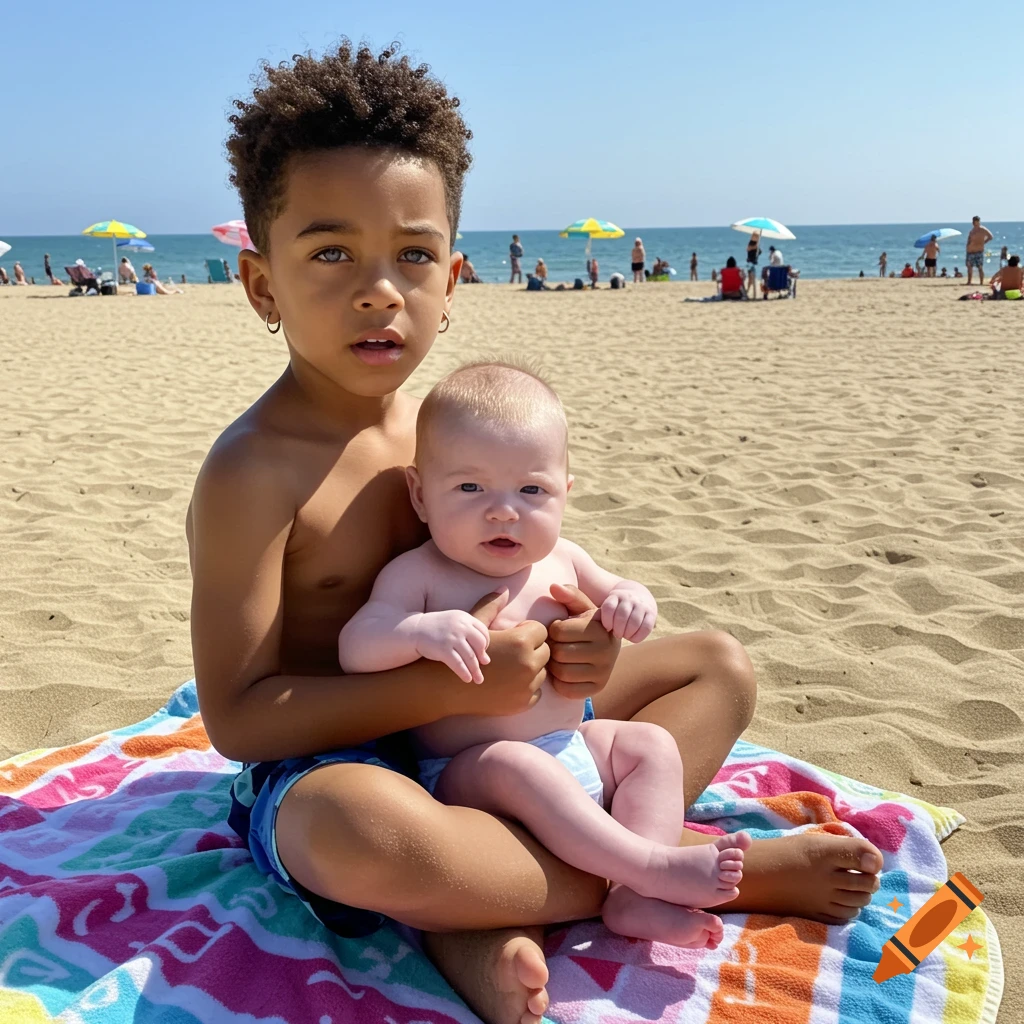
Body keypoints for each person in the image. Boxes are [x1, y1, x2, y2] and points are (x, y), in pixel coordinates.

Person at [189, 40, 882, 1024]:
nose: (380, 288)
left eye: (414, 254)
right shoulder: (252, 470)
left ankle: (481, 913)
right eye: (331, 250)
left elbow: (525, 563)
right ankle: (688, 873)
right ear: (262, 285)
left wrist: (578, 644)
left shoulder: (442, 426)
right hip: (342, 756)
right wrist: (435, 680)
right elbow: (238, 719)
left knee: (716, 665)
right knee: (362, 834)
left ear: (454, 279)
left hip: (498, 727)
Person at [339, 361, 749, 949]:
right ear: (420, 495)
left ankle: (635, 898)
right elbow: (358, 645)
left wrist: (632, 602)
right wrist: (420, 632)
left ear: (564, 493)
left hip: (571, 748)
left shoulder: (565, 560)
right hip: (471, 775)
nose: (504, 510)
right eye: (470, 488)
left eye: (531, 490)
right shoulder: (420, 575)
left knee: (648, 745)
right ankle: (650, 866)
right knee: (516, 762)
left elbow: (623, 593)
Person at [966, 216, 993, 286]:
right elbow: (969, 240)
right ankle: (969, 281)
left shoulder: (983, 229)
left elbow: (990, 237)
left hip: (979, 251)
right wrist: (967, 247)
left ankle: (981, 282)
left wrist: (983, 242)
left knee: (980, 267)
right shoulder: (972, 231)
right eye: (973, 221)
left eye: (975, 221)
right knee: (969, 266)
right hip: (970, 251)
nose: (974, 223)